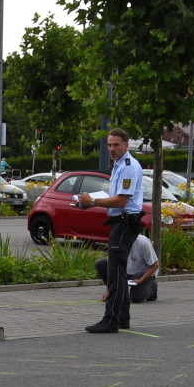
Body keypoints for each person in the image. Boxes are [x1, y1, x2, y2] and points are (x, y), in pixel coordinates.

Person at [73, 127, 144, 333]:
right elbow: (115, 195)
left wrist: (93, 201)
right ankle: (122, 317)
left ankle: (110, 319)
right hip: (120, 222)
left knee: (115, 271)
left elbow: (121, 200)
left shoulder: (128, 167)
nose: (112, 149)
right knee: (118, 271)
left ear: (126, 145)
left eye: (116, 145)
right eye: (109, 145)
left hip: (125, 222)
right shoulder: (119, 165)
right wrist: (88, 202)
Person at [96, 230, 160, 308]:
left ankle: (152, 288)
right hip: (126, 270)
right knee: (100, 264)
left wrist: (141, 280)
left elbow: (155, 265)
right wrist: (109, 289)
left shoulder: (143, 243)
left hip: (143, 273)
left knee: (136, 298)